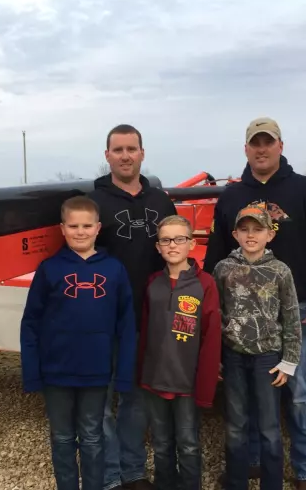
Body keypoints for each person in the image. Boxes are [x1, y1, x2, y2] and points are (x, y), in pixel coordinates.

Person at [204, 117, 306, 490]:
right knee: (247, 394)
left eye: (268, 142)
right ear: (246, 149)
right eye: (255, 143)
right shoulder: (232, 196)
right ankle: (250, 463)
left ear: (280, 145)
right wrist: (210, 306)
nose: (261, 149)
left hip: (295, 309)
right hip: (243, 314)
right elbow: (216, 256)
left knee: (300, 394)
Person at [20, 195, 137, 490]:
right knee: (61, 438)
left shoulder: (114, 270)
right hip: (56, 373)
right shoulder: (49, 270)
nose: (80, 231)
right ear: (62, 228)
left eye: (86, 225)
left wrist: (123, 375)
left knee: (93, 437)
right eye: (74, 226)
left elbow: (126, 326)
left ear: (98, 228)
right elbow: (31, 323)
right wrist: (32, 372)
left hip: (97, 374)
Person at [88, 124, 178, 490]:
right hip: (103, 317)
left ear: (143, 153)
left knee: (136, 401)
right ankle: (109, 476)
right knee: (101, 400)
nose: (125, 155)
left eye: (132, 149)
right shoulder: (93, 201)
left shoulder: (161, 202)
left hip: (149, 316)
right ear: (107, 155)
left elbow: (177, 252)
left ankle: (134, 472)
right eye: (118, 149)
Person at [212, 203, 302, 490]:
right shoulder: (223, 268)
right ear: (235, 234)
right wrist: (214, 358)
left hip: (268, 359)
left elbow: (290, 316)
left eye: (258, 229)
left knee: (269, 428)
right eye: (245, 230)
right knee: (236, 425)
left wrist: (289, 360)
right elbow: (215, 315)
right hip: (233, 356)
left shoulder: (280, 271)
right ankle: (236, 482)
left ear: (270, 235)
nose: (251, 235)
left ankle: (271, 484)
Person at [137, 215, 222, 489]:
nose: (172, 245)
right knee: (161, 443)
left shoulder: (205, 283)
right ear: (158, 246)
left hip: (187, 381)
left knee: (188, 444)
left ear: (191, 244)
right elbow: (145, 332)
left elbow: (211, 337)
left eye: (179, 239)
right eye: (165, 240)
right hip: (154, 379)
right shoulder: (152, 283)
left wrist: (206, 382)